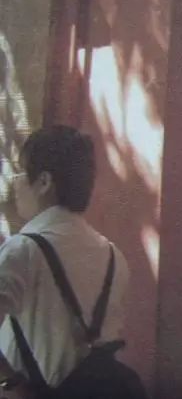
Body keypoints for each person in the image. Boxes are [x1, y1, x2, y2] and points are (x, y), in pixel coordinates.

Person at [0, 125, 129, 398]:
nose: (15, 184)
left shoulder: (23, 250)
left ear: (44, 182)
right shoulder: (114, 256)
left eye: (20, 173)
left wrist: (11, 383)